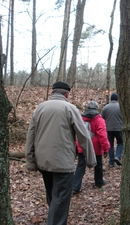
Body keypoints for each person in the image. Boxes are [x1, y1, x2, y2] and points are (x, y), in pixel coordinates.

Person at [25, 81, 97, 225]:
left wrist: (30, 160)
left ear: (52, 92)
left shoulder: (40, 108)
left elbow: (30, 135)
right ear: (67, 94)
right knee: (61, 200)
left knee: (53, 197)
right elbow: (83, 136)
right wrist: (91, 160)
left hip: (43, 162)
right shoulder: (70, 109)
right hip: (63, 163)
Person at [72, 100, 110, 194]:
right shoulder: (99, 120)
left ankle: (75, 187)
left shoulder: (80, 118)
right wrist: (106, 148)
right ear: (97, 108)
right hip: (95, 147)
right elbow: (102, 135)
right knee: (98, 164)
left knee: (81, 165)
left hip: (82, 145)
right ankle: (98, 181)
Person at [102, 93, 123, 167]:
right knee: (120, 143)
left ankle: (111, 162)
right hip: (119, 128)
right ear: (117, 99)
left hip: (108, 129)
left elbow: (102, 118)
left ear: (111, 99)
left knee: (110, 145)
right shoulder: (121, 107)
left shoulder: (105, 107)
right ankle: (117, 156)